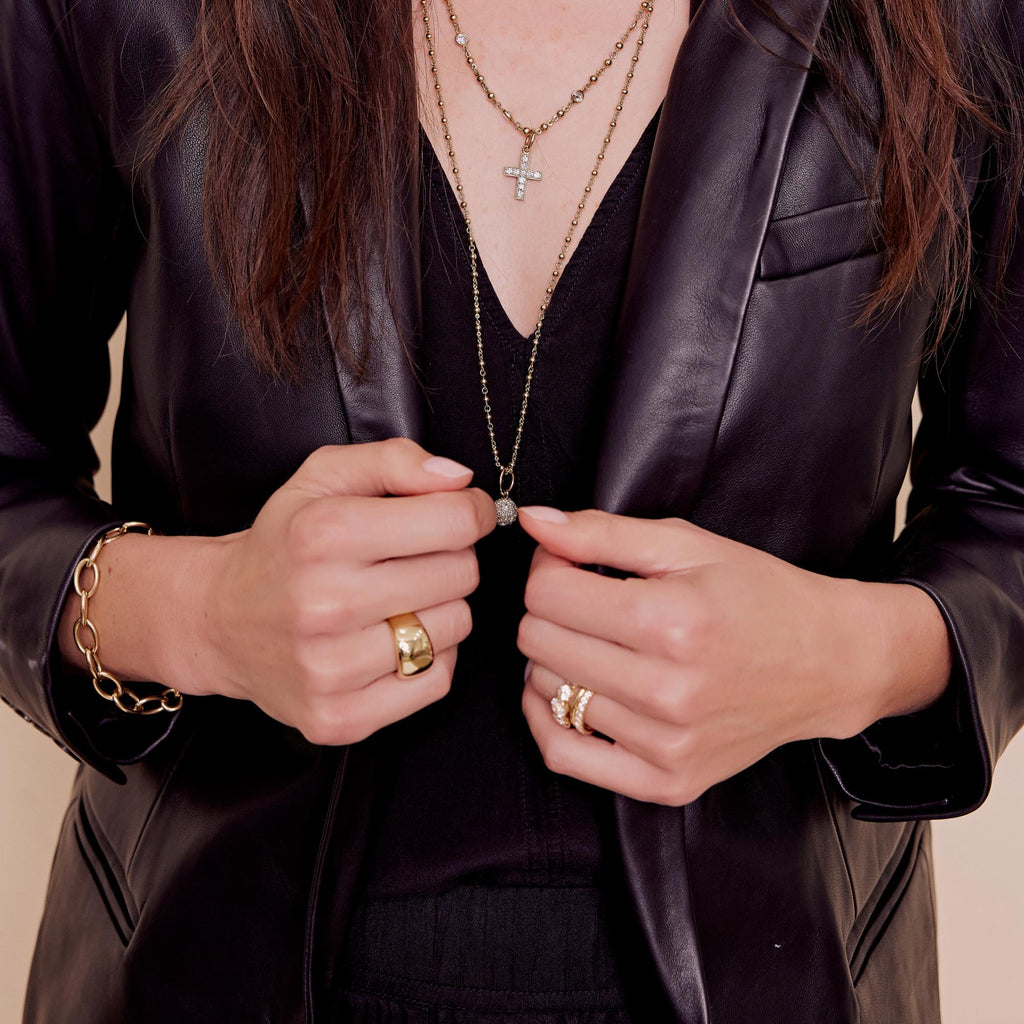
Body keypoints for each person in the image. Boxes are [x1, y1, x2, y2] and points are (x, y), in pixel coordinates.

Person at [2, 0, 1023, 1019]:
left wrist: (840, 656)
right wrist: (202, 616)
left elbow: (1008, 500)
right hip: (203, 970)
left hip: (785, 978)